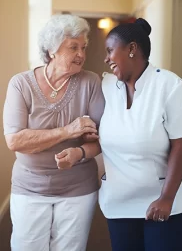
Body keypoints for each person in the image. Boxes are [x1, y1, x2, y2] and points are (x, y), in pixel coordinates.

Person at [3, 14, 105, 251]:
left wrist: (79, 152)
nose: (81, 54)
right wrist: (69, 130)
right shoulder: (21, 84)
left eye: (83, 47)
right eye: (73, 47)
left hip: (78, 188)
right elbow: (15, 140)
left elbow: (99, 140)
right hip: (29, 187)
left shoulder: (91, 83)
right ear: (51, 51)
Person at [98, 18, 182, 251]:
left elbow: (181, 146)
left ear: (132, 49)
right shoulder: (106, 88)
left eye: (110, 51)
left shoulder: (171, 86)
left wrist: (167, 198)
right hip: (119, 205)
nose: (106, 58)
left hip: (164, 204)